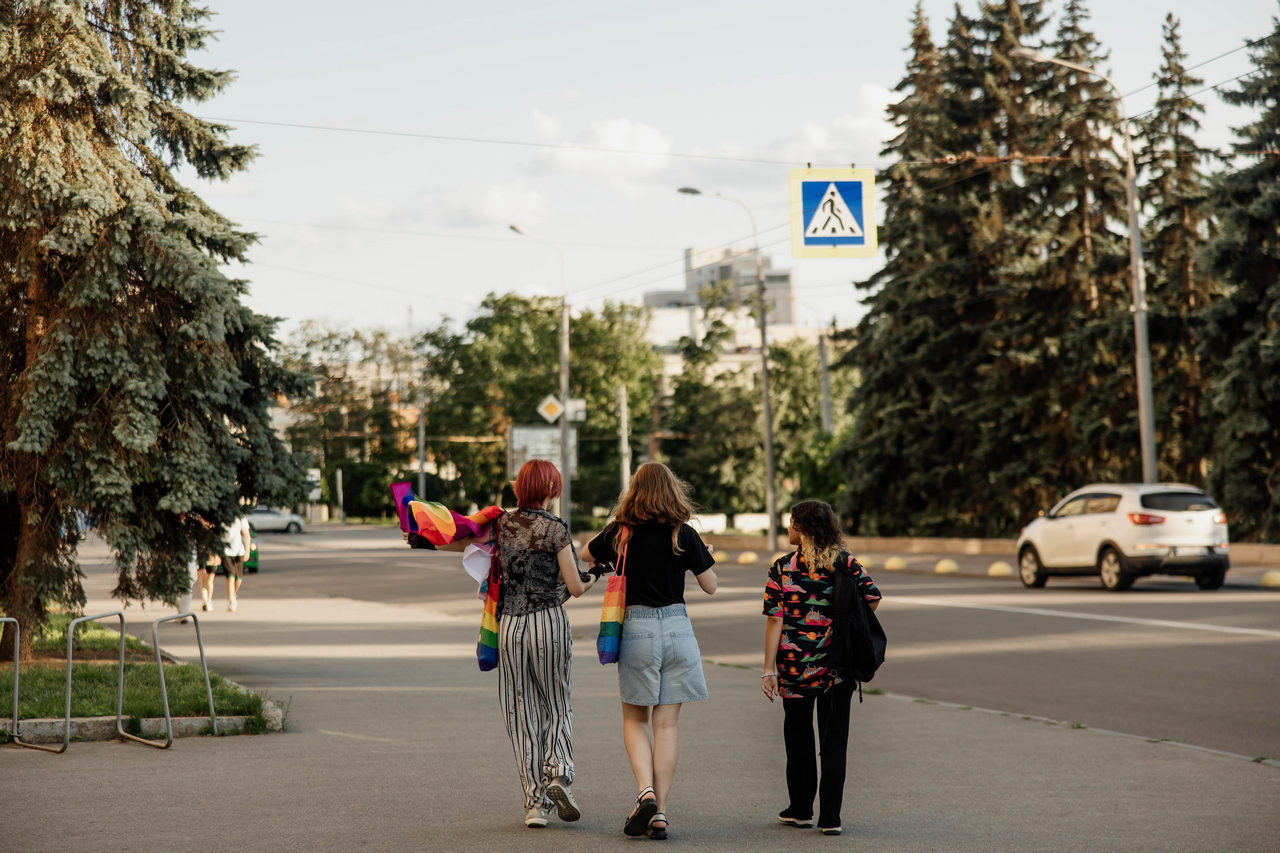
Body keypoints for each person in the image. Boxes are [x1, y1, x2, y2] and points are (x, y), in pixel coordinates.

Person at [409, 459, 596, 829]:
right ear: (553, 490)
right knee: (556, 702)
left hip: (510, 625)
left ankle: (534, 805)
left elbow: (459, 542)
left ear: (519, 489)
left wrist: (419, 540)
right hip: (549, 624)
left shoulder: (502, 524)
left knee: (520, 711)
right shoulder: (556, 530)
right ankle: (557, 772)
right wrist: (594, 577)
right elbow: (575, 587)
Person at [582, 462, 717, 841]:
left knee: (635, 720)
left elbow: (585, 554)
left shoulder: (620, 533)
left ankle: (646, 792)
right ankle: (661, 815)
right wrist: (706, 555)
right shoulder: (683, 534)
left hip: (637, 629)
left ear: (634, 491)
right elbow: (710, 586)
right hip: (678, 629)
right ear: (673, 491)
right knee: (667, 725)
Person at [761, 499, 881, 836]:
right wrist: (848, 627)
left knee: (798, 737)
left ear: (801, 527)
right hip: (838, 666)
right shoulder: (845, 563)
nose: (787, 528)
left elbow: (775, 620)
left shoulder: (783, 567)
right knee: (834, 741)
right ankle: (830, 817)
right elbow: (872, 597)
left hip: (794, 667)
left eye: (790, 523)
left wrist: (768, 669)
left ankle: (800, 809)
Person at [217, 513, 251, 612]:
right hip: (225, 551)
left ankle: (233, 594)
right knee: (230, 576)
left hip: (238, 550)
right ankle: (231, 601)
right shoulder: (221, 516)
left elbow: (246, 534)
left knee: (239, 578)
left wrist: (247, 551)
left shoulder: (241, 516)